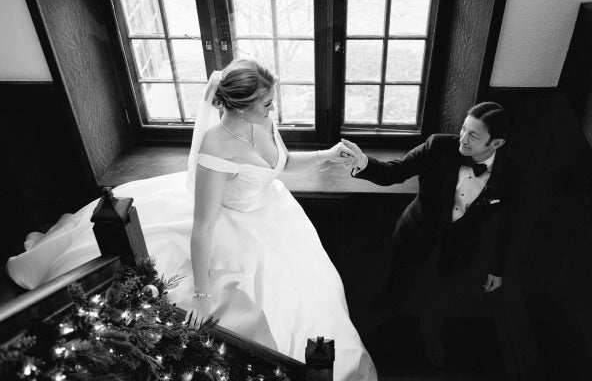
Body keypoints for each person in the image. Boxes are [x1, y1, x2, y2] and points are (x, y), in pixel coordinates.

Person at [7, 59, 377, 381]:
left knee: (313, 293)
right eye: (266, 103)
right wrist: (202, 296)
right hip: (229, 227)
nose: (271, 108)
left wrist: (326, 156)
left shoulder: (262, 120)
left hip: (276, 217)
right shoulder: (216, 147)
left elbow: (279, 164)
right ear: (241, 107)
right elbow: (202, 227)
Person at [341, 102, 513, 368]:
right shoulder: (439, 147)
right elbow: (394, 172)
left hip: (458, 250)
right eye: (463, 129)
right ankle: (357, 342)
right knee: (393, 295)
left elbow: (505, 221)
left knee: (441, 301)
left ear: (497, 143)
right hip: (415, 235)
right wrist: (363, 162)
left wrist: (497, 269)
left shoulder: (510, 171)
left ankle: (432, 337)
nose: (463, 139)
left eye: (473, 136)